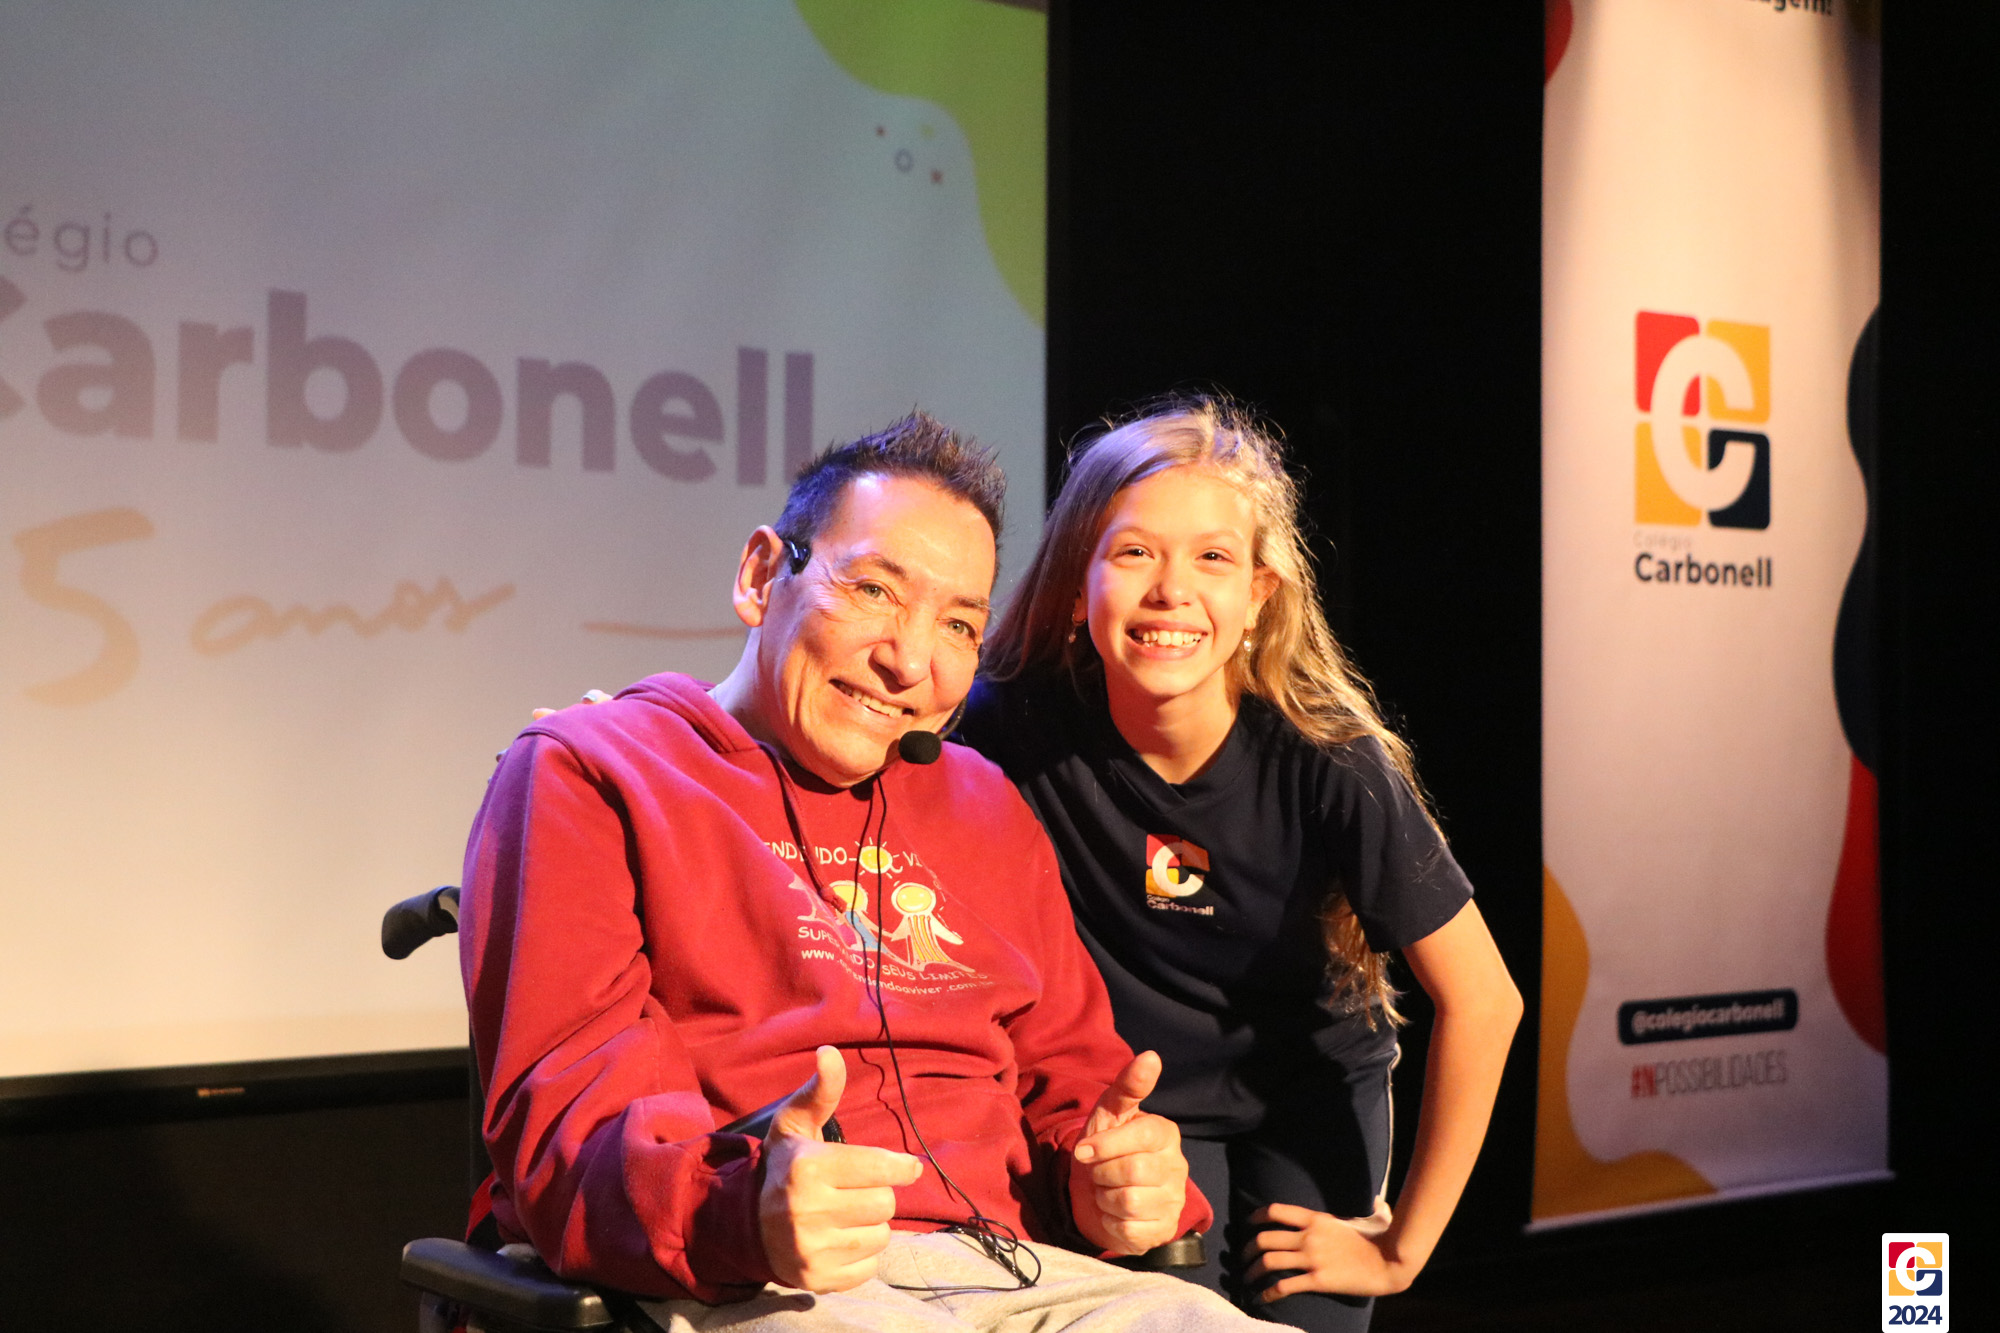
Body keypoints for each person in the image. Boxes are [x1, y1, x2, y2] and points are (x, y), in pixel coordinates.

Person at [458, 412, 1268, 1332]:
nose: (909, 660)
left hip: (1021, 1271)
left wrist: (1111, 1179)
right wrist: (741, 1209)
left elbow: (1074, 1089)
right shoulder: (598, 770)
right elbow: (573, 1120)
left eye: (958, 624)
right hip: (753, 1278)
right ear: (762, 574)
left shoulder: (985, 803)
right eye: (875, 589)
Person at [959, 397, 1523, 1331]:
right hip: (1134, 1108)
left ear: (1259, 594)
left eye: (1212, 558)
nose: (1172, 589)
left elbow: (1486, 1001)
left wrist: (1400, 1250)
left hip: (1303, 1101)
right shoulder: (1009, 723)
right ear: (1077, 582)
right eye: (1134, 552)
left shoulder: (1329, 759)